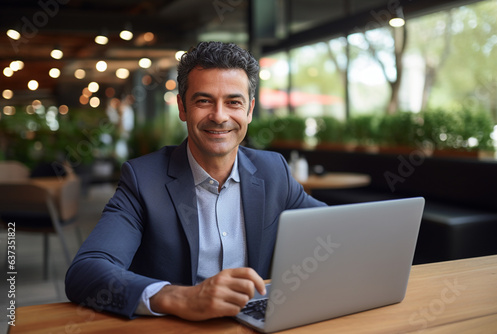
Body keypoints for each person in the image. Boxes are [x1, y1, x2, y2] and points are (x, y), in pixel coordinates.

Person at [65, 41, 326, 320]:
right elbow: (86, 270)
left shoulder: (273, 170)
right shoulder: (143, 180)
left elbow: (332, 227)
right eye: (204, 101)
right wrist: (182, 297)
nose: (219, 116)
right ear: (182, 107)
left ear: (249, 110)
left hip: (255, 322)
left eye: (233, 102)